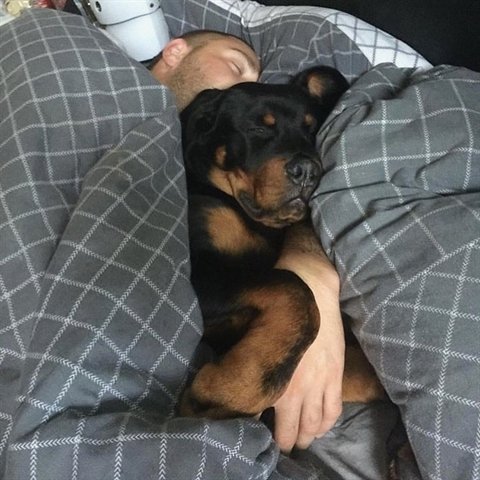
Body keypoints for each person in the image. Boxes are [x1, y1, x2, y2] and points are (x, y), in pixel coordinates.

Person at [149, 30, 345, 453]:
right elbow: (185, 296)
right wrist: (297, 302)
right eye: (261, 128)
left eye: (306, 137)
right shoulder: (197, 193)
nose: (302, 161)